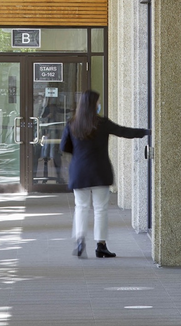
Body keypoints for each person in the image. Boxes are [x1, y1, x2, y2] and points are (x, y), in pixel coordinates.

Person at [60, 90, 150, 258]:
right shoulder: (102, 123)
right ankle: (101, 246)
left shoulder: (72, 124)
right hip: (99, 171)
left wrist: (79, 153)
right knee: (100, 209)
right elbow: (124, 131)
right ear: (94, 105)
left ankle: (80, 240)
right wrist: (145, 132)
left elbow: (64, 147)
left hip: (79, 172)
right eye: (97, 102)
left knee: (81, 207)